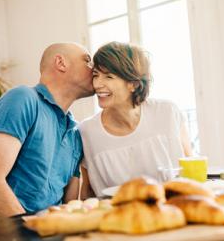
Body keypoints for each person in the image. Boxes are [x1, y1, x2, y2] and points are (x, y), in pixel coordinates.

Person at [0, 42, 94, 225]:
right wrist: (34, 233)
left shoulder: (75, 133)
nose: (95, 69)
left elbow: (69, 205)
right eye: (87, 61)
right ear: (61, 63)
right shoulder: (22, 99)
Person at [78, 41, 192, 198]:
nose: (97, 84)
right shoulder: (87, 131)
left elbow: (191, 170)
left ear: (133, 84)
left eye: (109, 76)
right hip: (117, 219)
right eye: (96, 75)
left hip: (172, 211)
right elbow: (87, 192)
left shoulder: (167, 112)